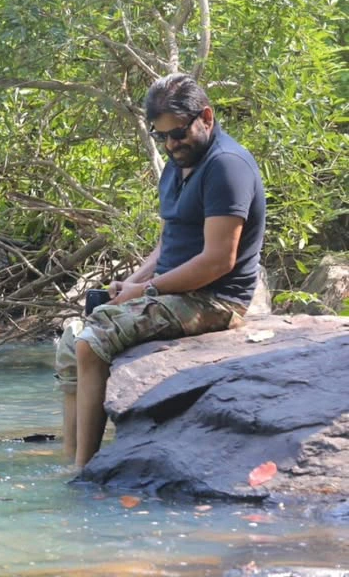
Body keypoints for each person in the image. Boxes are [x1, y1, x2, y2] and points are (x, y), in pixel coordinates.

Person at [56, 73, 266, 469]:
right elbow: (168, 243)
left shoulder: (226, 166)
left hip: (215, 300)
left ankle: (85, 471)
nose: (171, 144)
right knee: (72, 341)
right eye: (161, 136)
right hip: (172, 292)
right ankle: (68, 459)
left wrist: (147, 291)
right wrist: (133, 282)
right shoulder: (178, 164)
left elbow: (218, 260)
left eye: (178, 133)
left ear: (207, 117)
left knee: (93, 340)